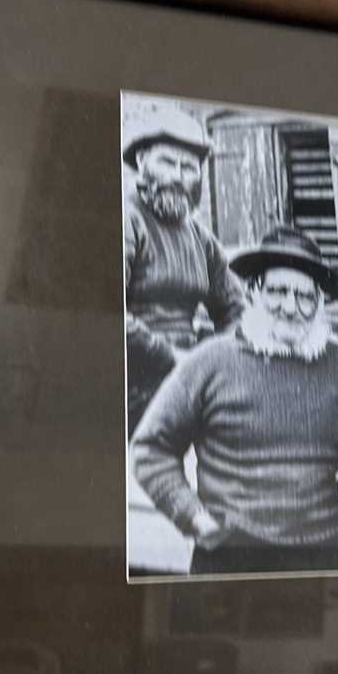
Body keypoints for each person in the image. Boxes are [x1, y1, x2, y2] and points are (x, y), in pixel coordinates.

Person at [132, 226, 338, 576]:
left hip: (323, 560)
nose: (291, 307)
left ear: (319, 303)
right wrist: (194, 518)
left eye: (305, 296)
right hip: (232, 560)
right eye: (277, 291)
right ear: (253, 292)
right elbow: (150, 449)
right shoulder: (208, 362)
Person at [122, 98, 245, 436]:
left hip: (186, 374)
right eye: (168, 162)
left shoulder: (200, 237)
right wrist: (173, 358)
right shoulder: (125, 220)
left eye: (189, 167)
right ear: (143, 161)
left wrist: (217, 360)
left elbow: (235, 308)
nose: (177, 177)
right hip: (129, 378)